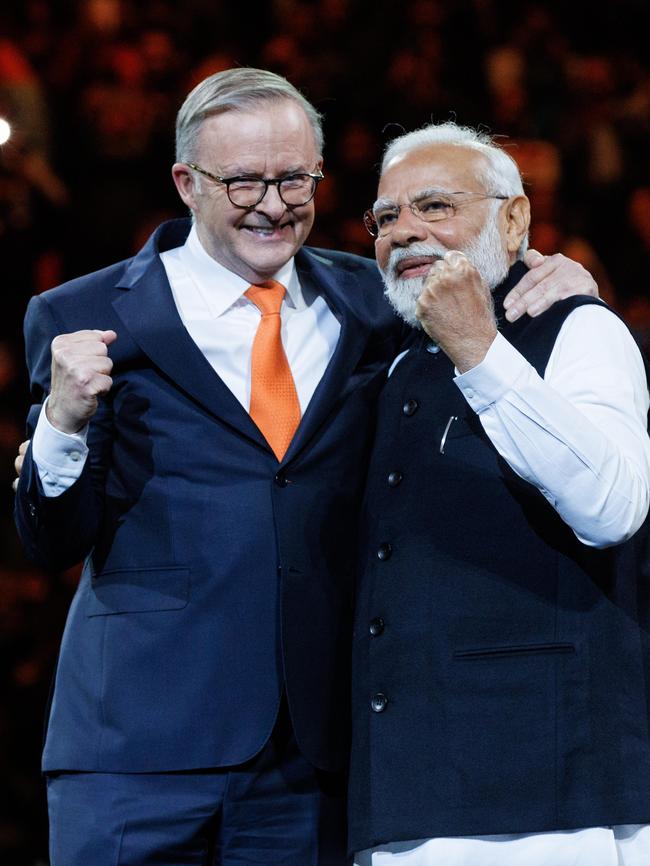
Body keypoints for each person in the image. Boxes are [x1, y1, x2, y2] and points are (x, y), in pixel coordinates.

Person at [13, 67, 596, 864]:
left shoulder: (374, 299)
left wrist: (558, 275)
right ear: (186, 182)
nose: (274, 203)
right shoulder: (83, 314)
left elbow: (481, 288)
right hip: (135, 750)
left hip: (316, 753)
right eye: (243, 180)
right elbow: (51, 540)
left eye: (295, 178)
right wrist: (61, 423)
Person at [349, 122, 650, 866]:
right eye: (385, 218)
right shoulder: (395, 363)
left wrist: (481, 354)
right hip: (406, 792)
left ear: (514, 219)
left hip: (548, 791)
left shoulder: (578, 329)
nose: (405, 232)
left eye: (434, 206)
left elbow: (612, 508)